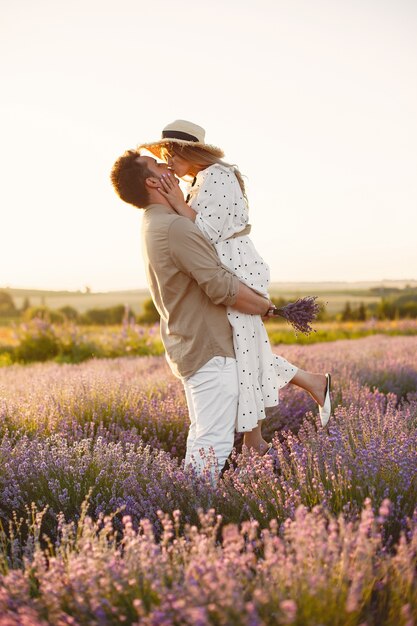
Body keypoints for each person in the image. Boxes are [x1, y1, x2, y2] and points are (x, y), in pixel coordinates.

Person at [110, 146, 331, 483]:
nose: (167, 166)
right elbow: (221, 284)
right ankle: (193, 520)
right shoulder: (174, 227)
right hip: (210, 349)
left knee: (202, 440)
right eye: (157, 165)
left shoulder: (153, 223)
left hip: (190, 345)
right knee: (212, 444)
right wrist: (267, 307)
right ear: (154, 184)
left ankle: (192, 506)